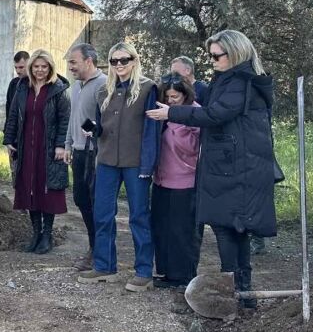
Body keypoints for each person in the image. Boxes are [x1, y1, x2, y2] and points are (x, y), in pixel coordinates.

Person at [147, 30, 277, 309]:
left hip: (236, 168)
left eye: (217, 55)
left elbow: (214, 114)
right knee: (231, 228)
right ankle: (241, 292)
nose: (212, 60)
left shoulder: (241, 83)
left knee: (227, 227)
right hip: (229, 165)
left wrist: (172, 113)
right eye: (211, 55)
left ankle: (237, 291)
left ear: (236, 53)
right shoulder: (230, 80)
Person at [77, 42, 159, 292]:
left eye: (124, 60)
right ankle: (104, 266)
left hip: (136, 164)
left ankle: (144, 271)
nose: (120, 65)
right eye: (114, 61)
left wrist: (149, 164)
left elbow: (152, 130)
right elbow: (102, 127)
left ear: (134, 60)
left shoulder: (148, 89)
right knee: (102, 214)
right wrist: (93, 128)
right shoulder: (105, 90)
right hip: (107, 161)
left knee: (138, 216)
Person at [4, 49, 70, 255]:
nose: (40, 70)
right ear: (31, 68)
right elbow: (13, 114)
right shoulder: (22, 87)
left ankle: (47, 235)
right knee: (29, 188)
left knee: (46, 189)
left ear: (50, 68)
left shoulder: (58, 89)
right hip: (26, 147)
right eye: (36, 66)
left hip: (48, 147)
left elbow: (64, 120)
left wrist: (61, 145)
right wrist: (9, 139)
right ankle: (35, 234)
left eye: (44, 66)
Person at [150, 73, 202, 289]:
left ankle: (185, 275)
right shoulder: (160, 112)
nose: (171, 101)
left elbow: (192, 148)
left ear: (185, 95)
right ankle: (165, 272)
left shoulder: (196, 114)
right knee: (161, 228)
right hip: (162, 180)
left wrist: (173, 119)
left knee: (183, 231)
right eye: (168, 97)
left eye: (175, 97)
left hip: (186, 181)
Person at [63, 43, 107, 270]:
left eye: (73, 62)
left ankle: (99, 253)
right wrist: (68, 144)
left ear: (88, 61)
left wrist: (92, 128)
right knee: (81, 200)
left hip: (96, 155)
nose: (70, 66)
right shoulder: (77, 86)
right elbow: (73, 118)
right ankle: (94, 247)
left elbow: (107, 122)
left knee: (95, 203)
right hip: (79, 153)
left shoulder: (104, 85)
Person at [5, 51, 30, 186]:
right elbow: (9, 113)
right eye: (16, 67)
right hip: (15, 139)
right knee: (16, 177)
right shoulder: (14, 84)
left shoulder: (36, 84)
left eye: (21, 67)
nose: (18, 71)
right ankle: (20, 205)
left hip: (31, 137)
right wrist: (8, 138)